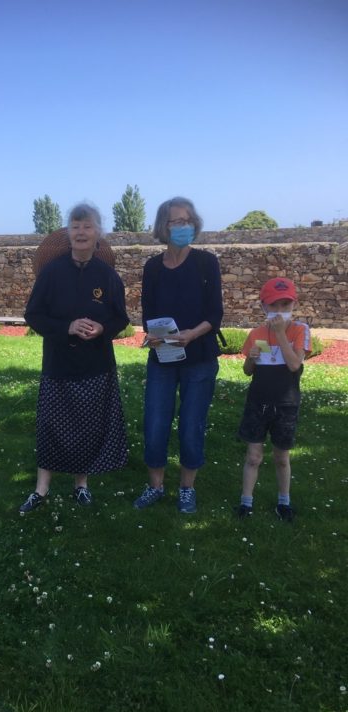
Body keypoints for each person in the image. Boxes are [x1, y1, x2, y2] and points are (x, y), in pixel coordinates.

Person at [19, 203, 129, 513]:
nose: (81, 232)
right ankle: (41, 490)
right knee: (51, 426)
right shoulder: (52, 273)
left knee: (88, 426)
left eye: (87, 226)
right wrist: (66, 327)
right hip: (59, 364)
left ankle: (81, 485)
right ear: (68, 233)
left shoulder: (107, 276)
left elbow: (121, 318)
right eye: (75, 226)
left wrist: (102, 328)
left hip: (95, 365)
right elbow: (33, 315)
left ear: (98, 234)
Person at [133, 197, 223, 514]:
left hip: (199, 357)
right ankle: (155, 486)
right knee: (155, 422)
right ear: (163, 226)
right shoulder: (153, 268)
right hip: (163, 359)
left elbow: (215, 314)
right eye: (175, 221)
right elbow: (148, 314)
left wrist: (192, 334)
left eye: (187, 220)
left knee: (191, 424)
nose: (182, 226)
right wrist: (155, 336)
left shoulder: (206, 263)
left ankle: (187, 488)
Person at [237, 277, 310, 521]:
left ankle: (284, 502)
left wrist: (280, 334)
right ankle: (246, 503)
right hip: (258, 401)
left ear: (293, 305)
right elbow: (248, 370)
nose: (279, 312)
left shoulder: (300, 330)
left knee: (281, 457)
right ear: (263, 307)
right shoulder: (257, 333)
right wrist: (251, 358)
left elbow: (293, 364)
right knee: (254, 456)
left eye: (285, 305)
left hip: (286, 402)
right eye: (274, 306)